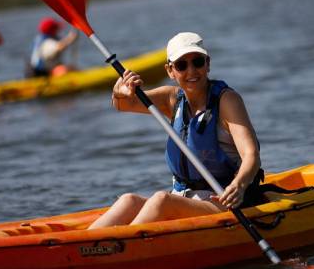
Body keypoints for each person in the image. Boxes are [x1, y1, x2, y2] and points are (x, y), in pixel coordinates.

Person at [89, 32, 263, 229]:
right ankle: (87, 247)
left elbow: (251, 155)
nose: (191, 71)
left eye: (197, 62)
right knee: (128, 200)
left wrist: (238, 185)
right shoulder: (171, 99)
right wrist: (119, 92)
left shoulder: (227, 100)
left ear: (207, 63)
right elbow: (123, 104)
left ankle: (122, 247)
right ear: (170, 70)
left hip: (224, 201)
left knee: (161, 200)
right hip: (185, 197)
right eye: (182, 65)